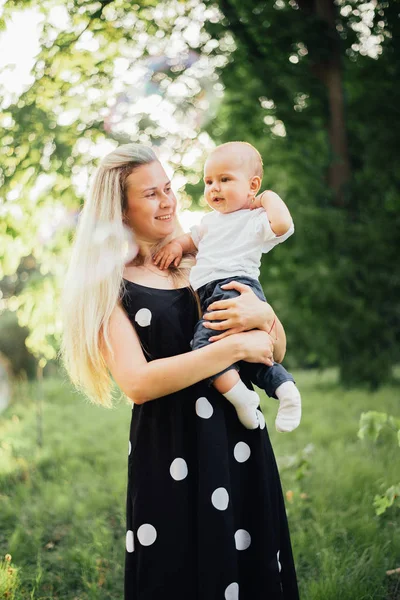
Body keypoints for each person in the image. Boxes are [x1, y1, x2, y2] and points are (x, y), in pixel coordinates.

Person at [60, 143, 300, 599]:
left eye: (168, 188)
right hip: (170, 450)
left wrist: (262, 317)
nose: (169, 201)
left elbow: (274, 349)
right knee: (178, 570)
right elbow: (139, 383)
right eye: (151, 194)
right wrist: (239, 345)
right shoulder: (111, 286)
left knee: (248, 566)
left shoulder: (203, 261)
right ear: (121, 210)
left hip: (239, 437)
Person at [154, 141, 301, 433]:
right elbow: (190, 240)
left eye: (225, 180)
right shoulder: (210, 221)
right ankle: (284, 389)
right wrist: (174, 245)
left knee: (204, 347)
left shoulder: (254, 219)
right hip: (210, 293)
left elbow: (282, 224)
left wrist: (266, 198)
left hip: (234, 289)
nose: (214, 188)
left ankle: (242, 399)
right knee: (244, 356)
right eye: (209, 181)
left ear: (252, 185)